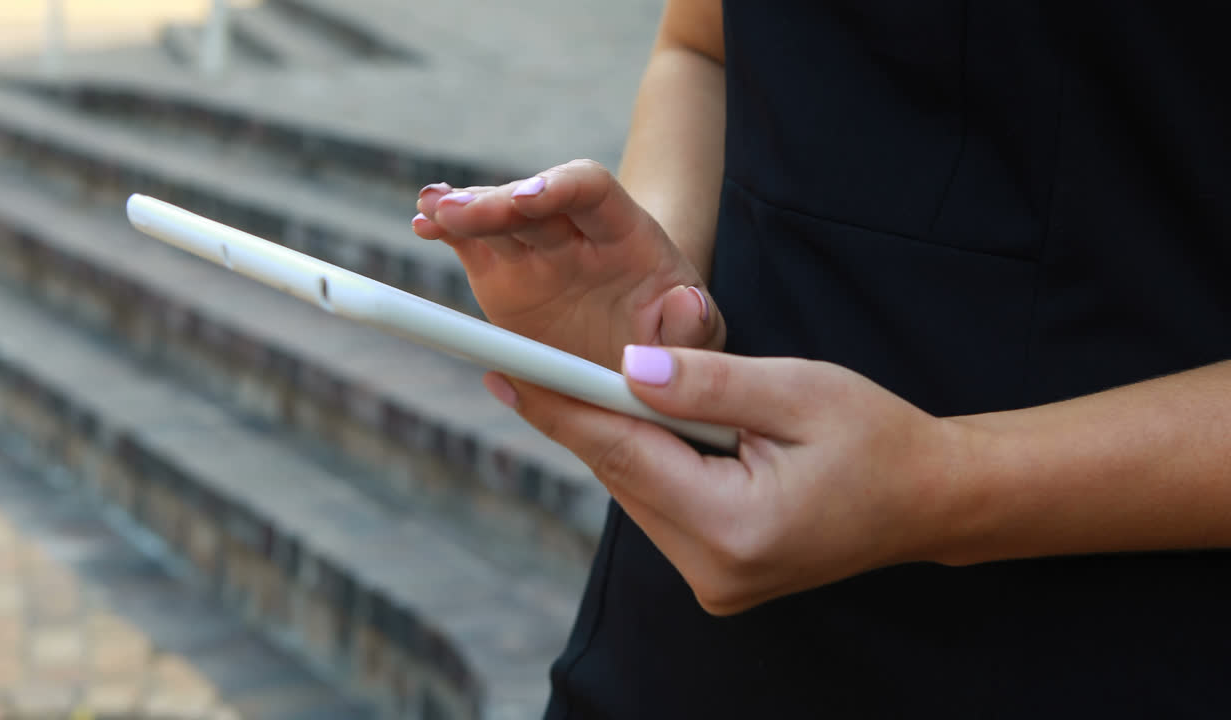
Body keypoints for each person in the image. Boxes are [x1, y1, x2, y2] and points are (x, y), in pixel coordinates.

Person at [413, 2, 1231, 717]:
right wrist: (658, 285)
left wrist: (944, 479)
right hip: (697, 637)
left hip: (1118, 645)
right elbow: (702, 44)